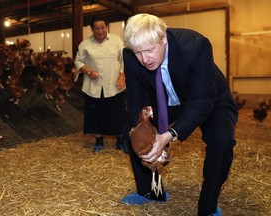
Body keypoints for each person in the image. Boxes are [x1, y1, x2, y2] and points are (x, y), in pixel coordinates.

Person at [121, 13, 238, 216]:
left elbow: (202, 101)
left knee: (222, 141)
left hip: (208, 96)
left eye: (149, 50)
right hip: (165, 98)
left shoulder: (196, 46)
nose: (144, 59)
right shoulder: (131, 55)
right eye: (138, 52)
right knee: (130, 131)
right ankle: (151, 192)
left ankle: (208, 207)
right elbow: (135, 97)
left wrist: (169, 135)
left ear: (163, 38)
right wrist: (141, 129)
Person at [74, 14, 128, 154]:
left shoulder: (116, 40)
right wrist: (88, 71)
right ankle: (99, 141)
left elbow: (124, 59)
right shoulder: (85, 44)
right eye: (96, 28)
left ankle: (120, 141)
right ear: (91, 29)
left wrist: (122, 76)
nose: (100, 31)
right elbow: (78, 61)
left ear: (107, 27)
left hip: (114, 85)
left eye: (102, 27)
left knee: (118, 113)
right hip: (94, 86)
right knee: (95, 114)